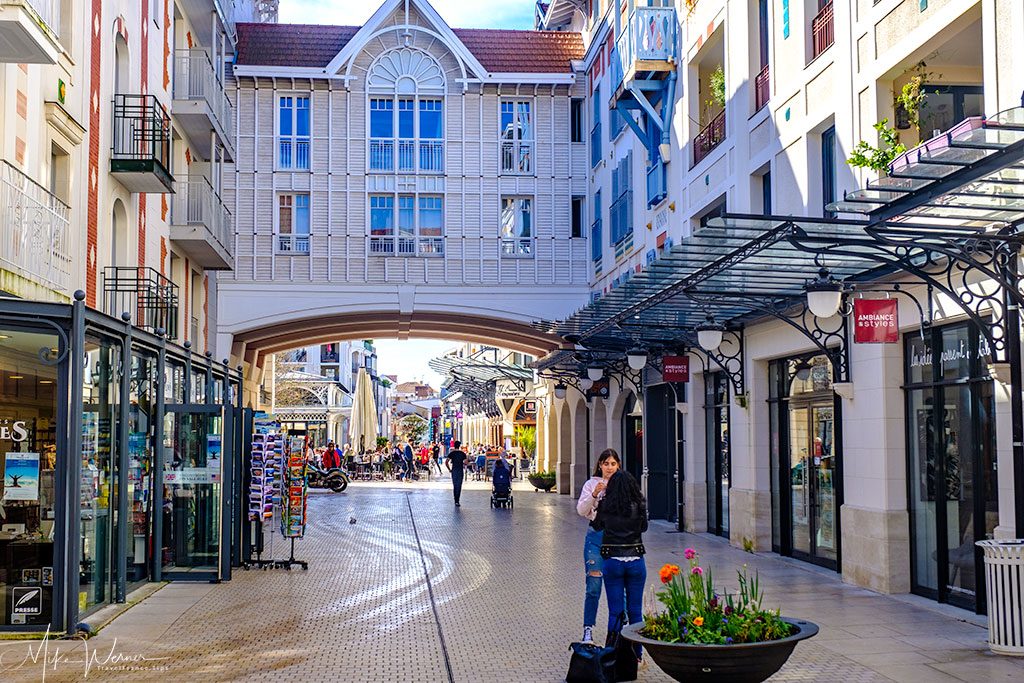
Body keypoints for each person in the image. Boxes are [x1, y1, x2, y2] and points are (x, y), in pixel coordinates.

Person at [594, 469, 648, 666]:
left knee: (615, 611)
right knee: (635, 611)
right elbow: (644, 528)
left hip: (612, 561)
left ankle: (613, 654)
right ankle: (637, 656)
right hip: (636, 560)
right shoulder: (639, 504)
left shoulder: (606, 504)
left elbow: (597, 526)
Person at [576, 448, 621, 645]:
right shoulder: (591, 484)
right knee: (593, 587)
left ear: (618, 465)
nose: (609, 468)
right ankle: (588, 630)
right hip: (595, 538)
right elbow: (581, 510)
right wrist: (594, 495)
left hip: (618, 540)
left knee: (619, 588)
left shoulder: (623, 484)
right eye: (606, 464)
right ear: (600, 465)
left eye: (613, 464)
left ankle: (619, 631)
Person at [445, 440, 468, 507]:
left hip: (454, 470)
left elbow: (446, 462)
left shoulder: (452, 453)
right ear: (459, 446)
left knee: (455, 485)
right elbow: (466, 462)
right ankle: (458, 500)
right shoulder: (462, 453)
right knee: (459, 485)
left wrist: (449, 469)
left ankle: (456, 500)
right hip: (460, 470)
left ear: (454, 446)